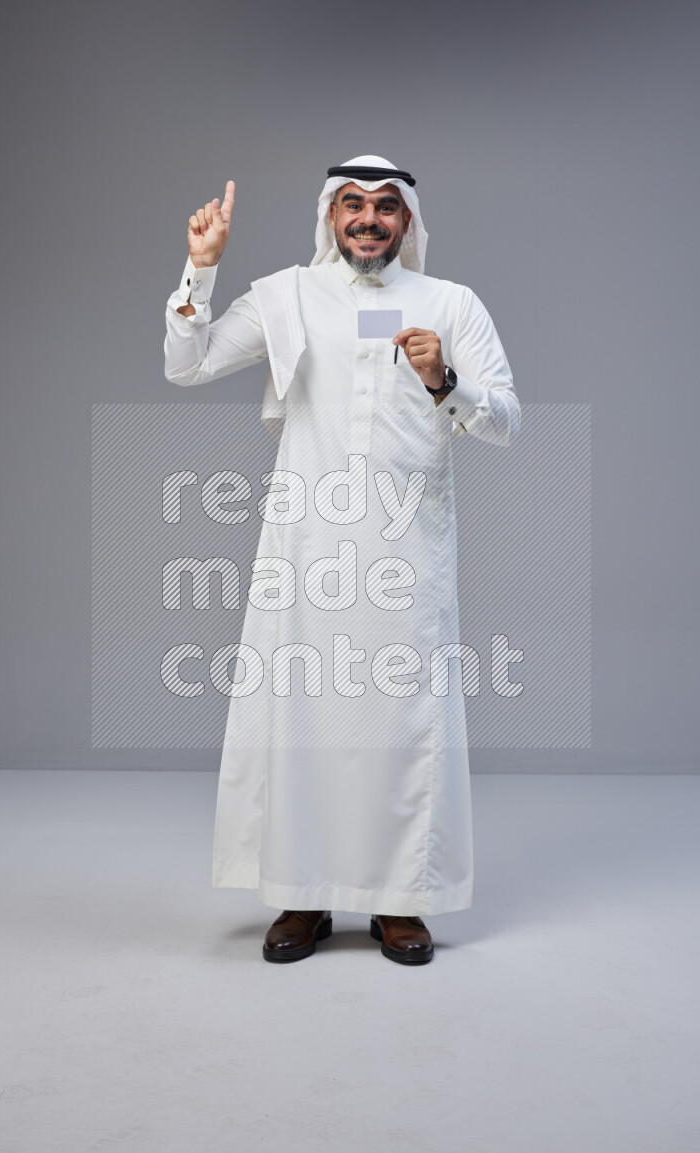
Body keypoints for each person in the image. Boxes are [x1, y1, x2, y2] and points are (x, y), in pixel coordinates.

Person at [164, 155, 520, 966]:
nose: (368, 218)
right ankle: (303, 894)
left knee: (401, 721)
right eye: (352, 204)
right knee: (304, 720)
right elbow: (186, 363)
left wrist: (444, 380)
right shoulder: (287, 295)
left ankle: (400, 904)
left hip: (407, 554)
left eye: (386, 207)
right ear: (330, 216)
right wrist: (202, 269)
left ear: (408, 222)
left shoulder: (449, 305)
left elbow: (504, 420)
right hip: (305, 550)